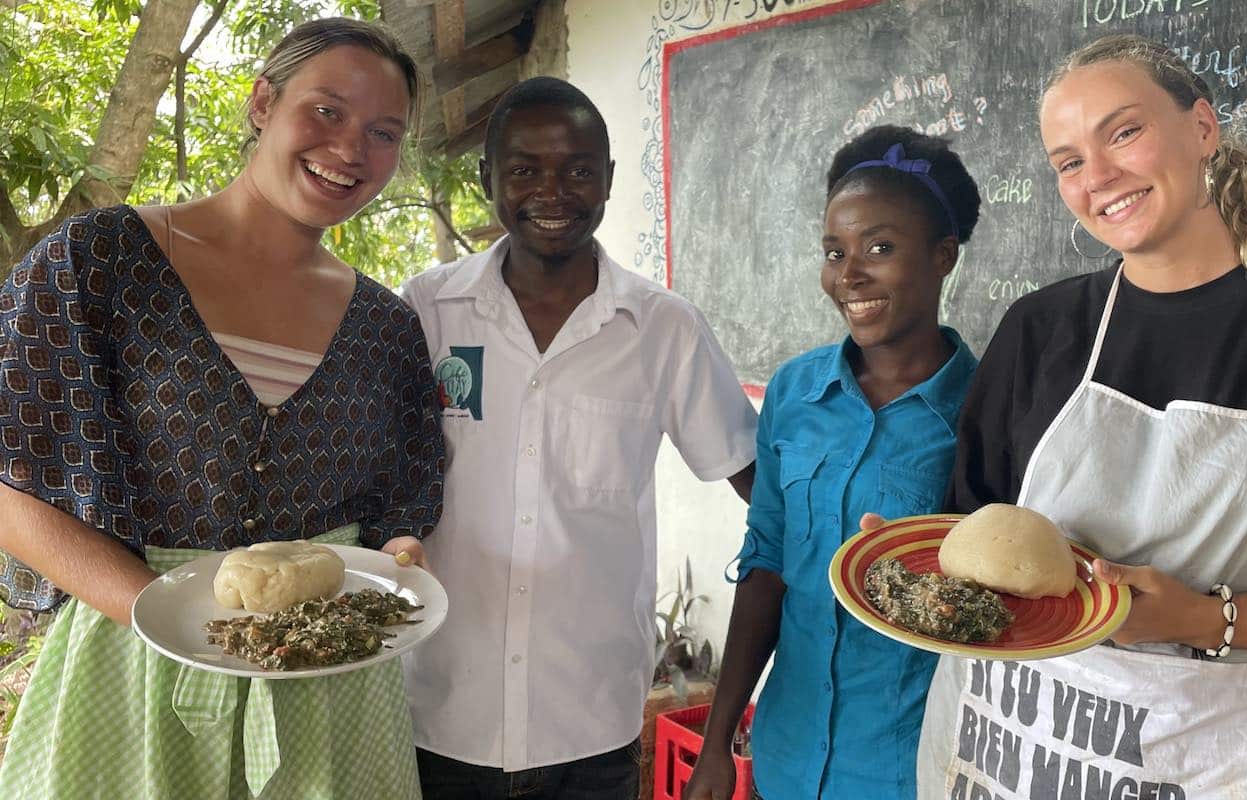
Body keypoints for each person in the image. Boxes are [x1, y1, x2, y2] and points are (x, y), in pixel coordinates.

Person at [913, 34, 1247, 799]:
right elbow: (973, 531)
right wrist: (910, 564)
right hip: (1010, 741)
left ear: (1202, 129)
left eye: (1124, 132)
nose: (1097, 176)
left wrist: (1204, 619)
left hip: (1205, 758)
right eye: (1069, 161)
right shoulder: (1039, 329)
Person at [0, 18, 444, 799]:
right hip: (133, 667)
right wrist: (175, 620)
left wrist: (402, 556)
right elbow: (11, 485)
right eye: (328, 111)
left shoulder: (386, 326)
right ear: (262, 101)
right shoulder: (98, 263)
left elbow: (402, 501)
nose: (351, 151)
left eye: (383, 132)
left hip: (327, 684)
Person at [399, 76, 758, 800]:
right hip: (440, 713)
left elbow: (759, 482)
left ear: (609, 180)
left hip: (589, 722)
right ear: (487, 178)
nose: (552, 192)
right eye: (525, 169)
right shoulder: (427, 312)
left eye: (578, 170)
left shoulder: (662, 329)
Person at [683, 125, 983, 800]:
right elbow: (766, 562)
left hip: (908, 769)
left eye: (879, 247)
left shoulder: (986, 411)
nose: (848, 274)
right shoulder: (795, 390)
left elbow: (992, 611)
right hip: (785, 757)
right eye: (833, 251)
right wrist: (719, 739)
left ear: (942, 256)